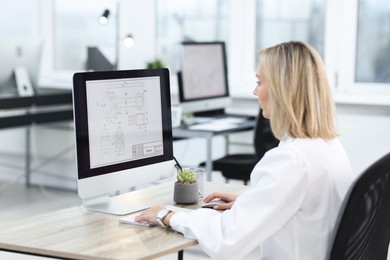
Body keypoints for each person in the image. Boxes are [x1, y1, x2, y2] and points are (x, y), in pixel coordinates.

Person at [136, 41, 354, 260]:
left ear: (282, 90)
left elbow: (226, 240)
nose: (254, 91)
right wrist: (250, 201)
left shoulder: (291, 160)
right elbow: (304, 206)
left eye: (259, 82)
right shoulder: (328, 145)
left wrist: (167, 215)